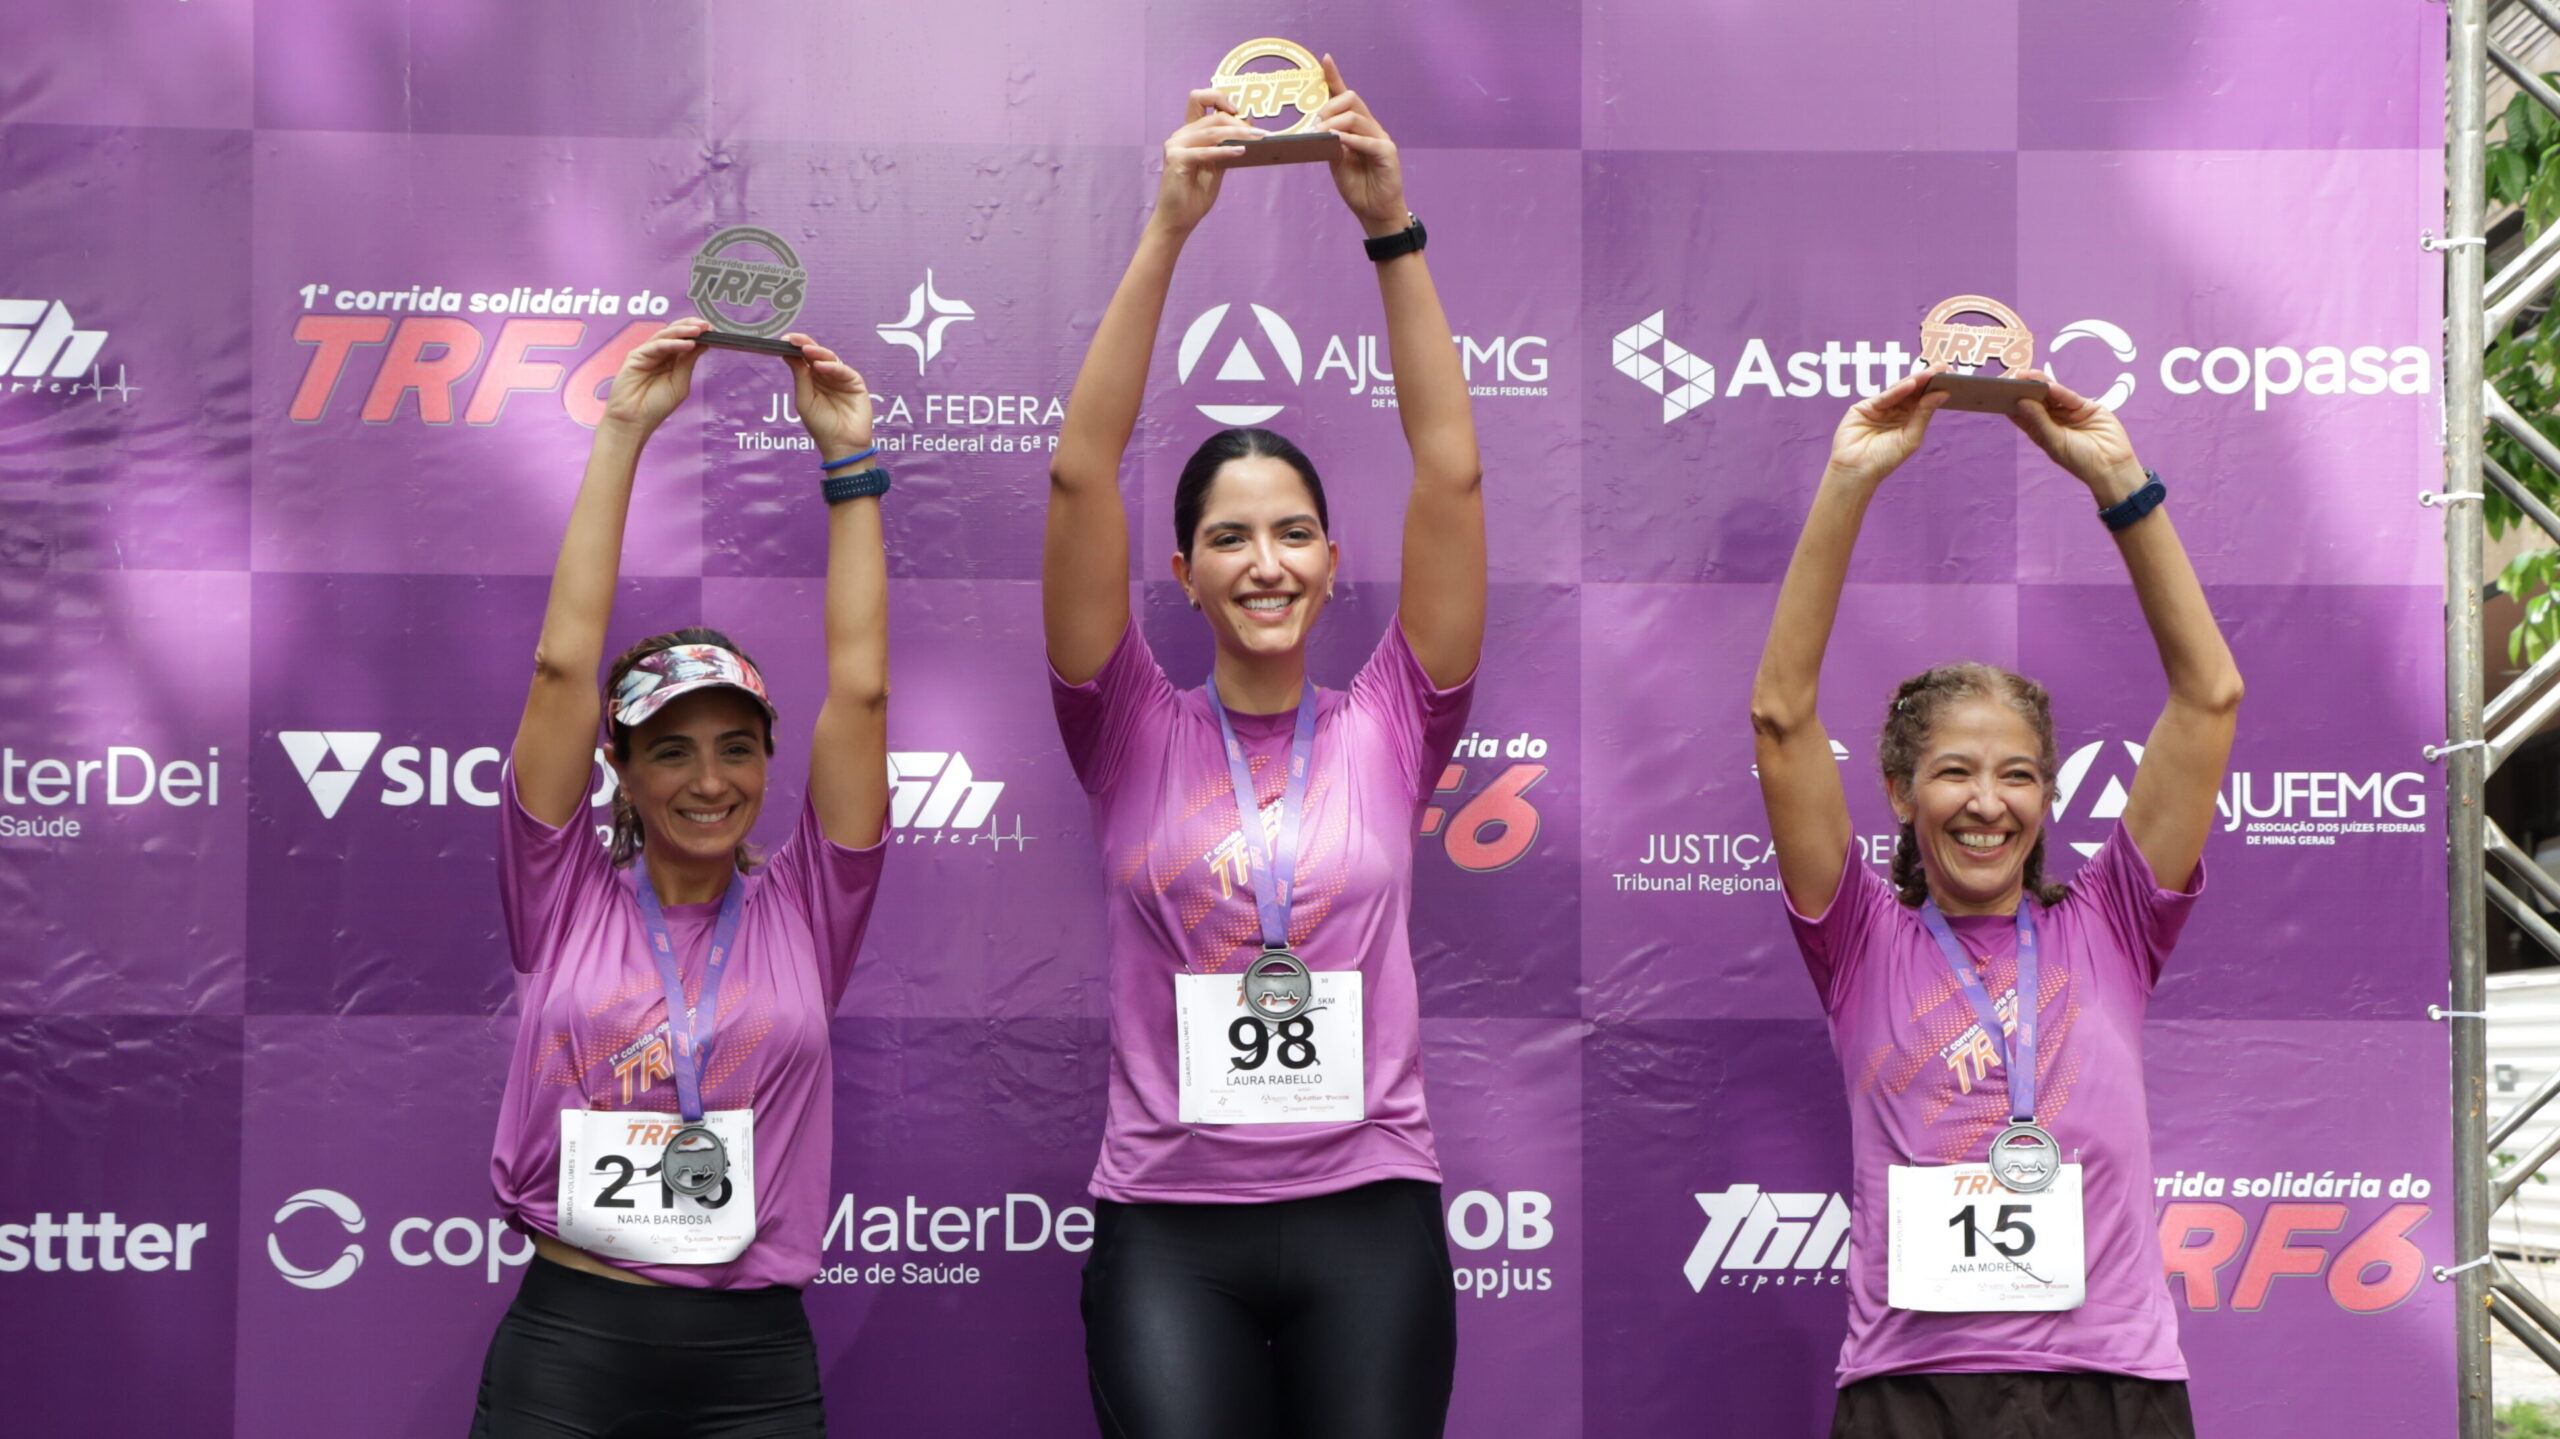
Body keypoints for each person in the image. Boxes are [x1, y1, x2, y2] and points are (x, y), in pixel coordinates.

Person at [1042, 59, 1484, 1439]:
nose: (1265, 560)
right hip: (1169, 1227)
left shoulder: (1398, 714)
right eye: (1230, 535)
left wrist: (1390, 228)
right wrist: (1171, 223)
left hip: (1371, 1215)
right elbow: (1076, 474)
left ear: (1333, 559)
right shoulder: (1122, 721)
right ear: (1181, 569)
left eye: (1291, 530)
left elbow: (1452, 470)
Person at [1751, 366, 2243, 1439]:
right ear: (1897, 790)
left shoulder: (2112, 923)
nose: (1986, 802)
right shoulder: (1857, 936)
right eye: (1953, 772)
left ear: (2048, 793)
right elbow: (1781, 717)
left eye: (2017, 773)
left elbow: (2208, 695)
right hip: (1912, 1392)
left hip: (2112, 1383)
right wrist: (1848, 479)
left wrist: (2117, 479)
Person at [471, 317, 892, 1437]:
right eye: (670, 747)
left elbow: (859, 695)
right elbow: (564, 664)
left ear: (766, 757)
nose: (709, 780)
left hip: (749, 1363)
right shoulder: (559, 889)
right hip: (569, 1345)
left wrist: (847, 468)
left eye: (736, 746)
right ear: (621, 764)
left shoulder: (811, 904)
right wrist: (622, 430)